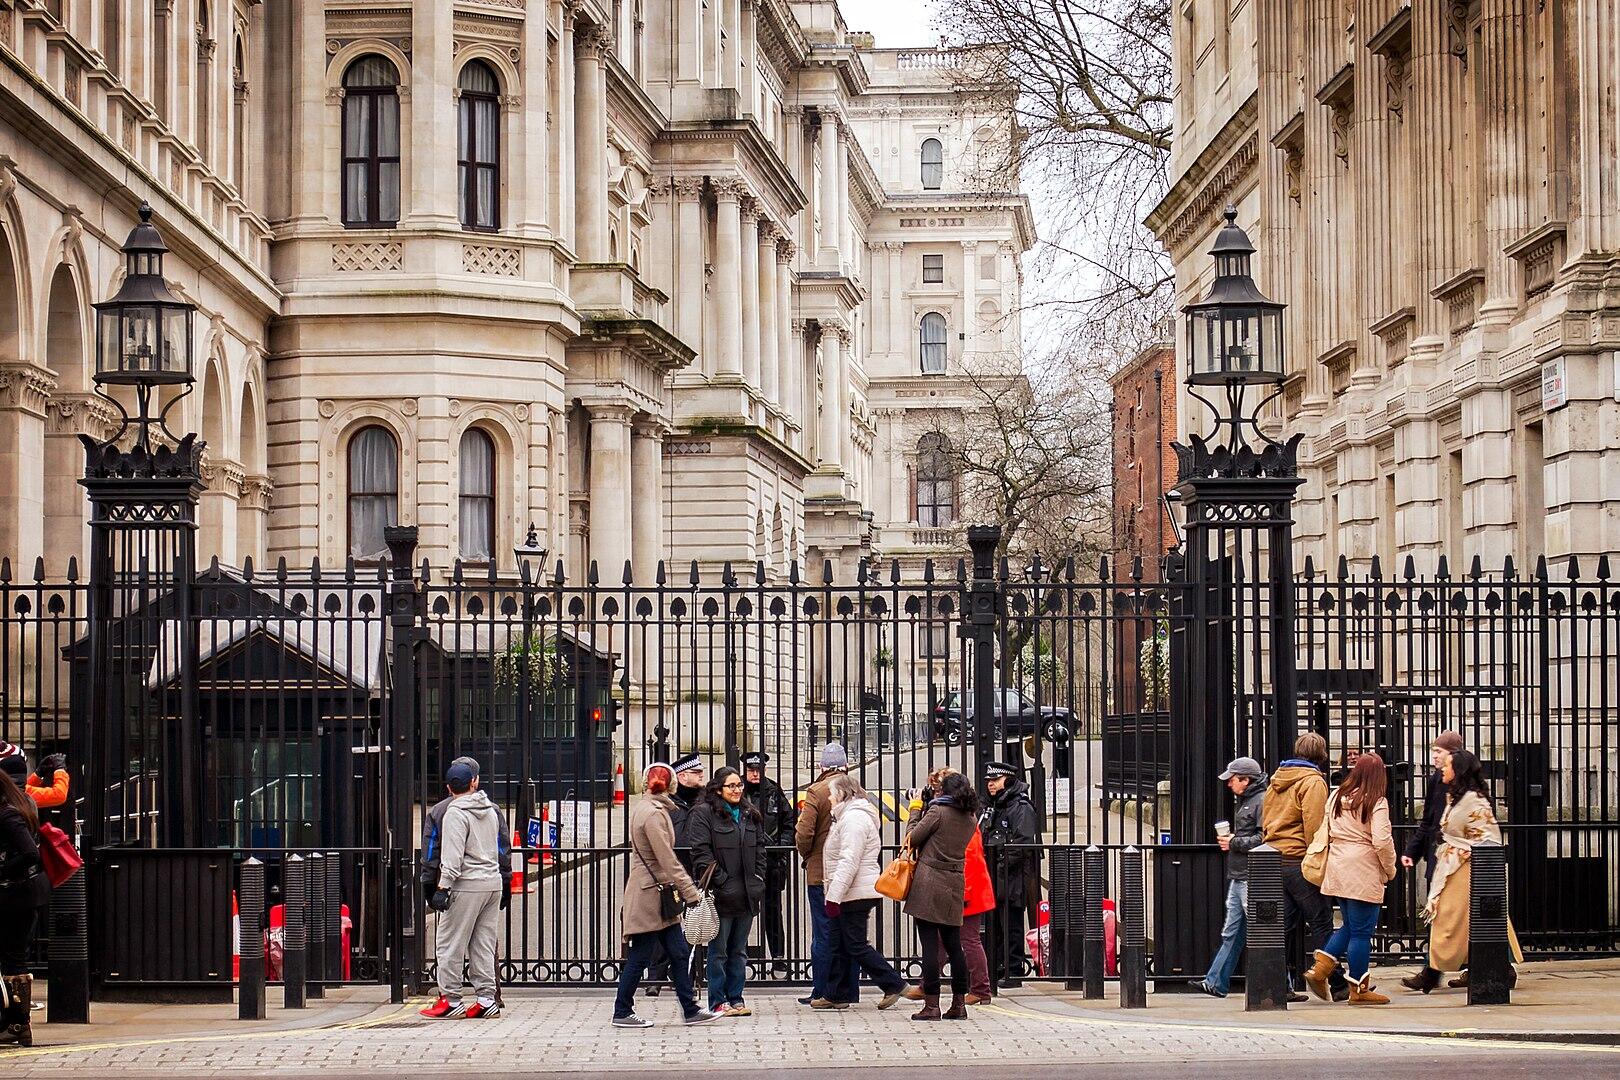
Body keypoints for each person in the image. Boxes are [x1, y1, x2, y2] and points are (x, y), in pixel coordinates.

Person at [1401, 749, 1523, 994]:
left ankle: (1432, 973)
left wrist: (1466, 851)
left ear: (1458, 770)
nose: (1442, 769)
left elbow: (1488, 837)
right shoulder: (1457, 796)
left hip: (1466, 868)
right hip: (1454, 864)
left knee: (1449, 918)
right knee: (1467, 921)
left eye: (1446, 764)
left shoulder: (1473, 801)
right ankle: (1499, 968)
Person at [613, 763, 719, 1028]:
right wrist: (690, 892)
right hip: (651, 894)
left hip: (658, 893)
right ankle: (622, 1010)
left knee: (679, 952)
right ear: (672, 784)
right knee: (640, 955)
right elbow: (667, 860)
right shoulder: (653, 814)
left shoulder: (649, 808)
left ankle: (690, 1008)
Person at [1261, 731, 1349, 1002]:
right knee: (1321, 922)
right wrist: (1320, 858)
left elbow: (1266, 817)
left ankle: (1280, 985)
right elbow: (1315, 825)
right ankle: (1337, 982)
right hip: (1299, 859)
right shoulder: (1312, 782)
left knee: (1283, 926)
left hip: (1275, 858)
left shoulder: (1276, 779)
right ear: (1322, 755)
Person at [1308, 752, 1397, 1005]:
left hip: (1338, 865)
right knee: (1361, 932)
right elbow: (1381, 841)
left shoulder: (1336, 796)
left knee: (1349, 925)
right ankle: (1359, 989)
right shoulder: (1376, 801)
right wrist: (1390, 869)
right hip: (1363, 868)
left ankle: (1319, 969)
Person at [821, 771, 913, 1010]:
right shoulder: (848, 816)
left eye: (831, 794)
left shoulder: (853, 819)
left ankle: (894, 984)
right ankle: (836, 994)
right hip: (852, 890)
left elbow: (848, 860)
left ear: (841, 793)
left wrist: (834, 897)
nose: (829, 799)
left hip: (854, 892)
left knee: (855, 944)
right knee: (840, 941)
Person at [420, 761, 505, 1019]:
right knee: (483, 943)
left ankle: (451, 1000)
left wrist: (443, 887)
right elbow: (499, 847)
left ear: (448, 787)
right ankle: (486, 998)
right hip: (492, 882)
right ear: (473, 782)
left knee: (449, 943)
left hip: (466, 885)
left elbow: (453, 856)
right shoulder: (490, 809)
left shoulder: (454, 813)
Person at [686, 766, 766, 1016]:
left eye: (739, 785)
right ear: (718, 789)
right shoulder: (704, 813)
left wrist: (758, 878)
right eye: (731, 786)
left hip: (747, 893)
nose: (737, 790)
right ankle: (718, 1001)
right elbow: (700, 852)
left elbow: (760, 849)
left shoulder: (749, 813)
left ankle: (736, 997)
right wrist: (720, 880)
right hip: (721, 894)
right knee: (718, 952)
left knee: (739, 951)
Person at [903, 771, 979, 1021]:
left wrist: (915, 809)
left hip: (929, 883)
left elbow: (912, 838)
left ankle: (931, 1005)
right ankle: (958, 1004)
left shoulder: (938, 812)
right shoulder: (970, 817)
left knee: (929, 946)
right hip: (954, 882)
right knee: (954, 945)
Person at [1194, 756, 1267, 998]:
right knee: (1233, 932)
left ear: (1246, 780)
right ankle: (1215, 982)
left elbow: (1264, 838)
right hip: (1239, 874)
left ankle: (1280, 985)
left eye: (1233, 780)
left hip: (1250, 875)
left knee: (1261, 931)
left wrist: (1234, 841)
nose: (1229, 784)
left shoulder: (1261, 802)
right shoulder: (1247, 801)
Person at [794, 742, 850, 1007]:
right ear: (846, 766)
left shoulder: (816, 792)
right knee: (847, 932)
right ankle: (848, 990)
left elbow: (804, 833)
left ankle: (822, 990)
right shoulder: (857, 791)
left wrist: (808, 854)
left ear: (821, 767)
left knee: (823, 933)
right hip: (849, 875)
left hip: (821, 874)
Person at [647, 751, 705, 995]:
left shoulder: (704, 802)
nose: (702, 775)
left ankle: (691, 976)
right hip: (671, 874)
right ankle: (655, 977)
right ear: (681, 776)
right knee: (666, 925)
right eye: (696, 772)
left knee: (695, 926)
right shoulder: (669, 805)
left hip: (698, 871)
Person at [979, 760, 1038, 988]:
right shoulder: (992, 806)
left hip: (1011, 876)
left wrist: (999, 867)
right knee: (993, 925)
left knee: (1010, 923)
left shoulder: (1020, 806)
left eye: (995, 780)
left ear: (1009, 780)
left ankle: (1013, 970)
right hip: (992, 875)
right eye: (989, 781)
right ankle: (997, 967)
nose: (991, 785)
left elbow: (1022, 843)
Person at [0, 770, 47, 1047]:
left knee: (14, 957)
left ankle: (18, 1024)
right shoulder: (22, 802)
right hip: (20, 896)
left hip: (13, 897)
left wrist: (3, 869)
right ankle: (14, 1022)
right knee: (12, 957)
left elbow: (31, 853)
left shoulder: (7, 814)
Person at [741, 751, 796, 970]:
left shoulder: (773, 791)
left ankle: (778, 957)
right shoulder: (738, 792)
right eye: (751, 770)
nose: (755, 774)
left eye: (758, 770)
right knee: (742, 909)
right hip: (745, 861)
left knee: (772, 910)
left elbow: (790, 821)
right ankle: (740, 955)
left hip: (771, 861)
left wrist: (781, 845)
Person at [1402, 732, 1465, 881]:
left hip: (1460, 858)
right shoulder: (1435, 779)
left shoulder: (1468, 781)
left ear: (1452, 754)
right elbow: (1427, 821)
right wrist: (1411, 851)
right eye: (1433, 751)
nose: (1434, 756)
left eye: (1438, 751)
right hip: (1437, 855)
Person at [0, 744, 68, 810]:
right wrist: (60, 769)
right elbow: (58, 795)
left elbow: (20, 787)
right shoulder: (16, 794)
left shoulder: (6, 791)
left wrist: (37, 775)